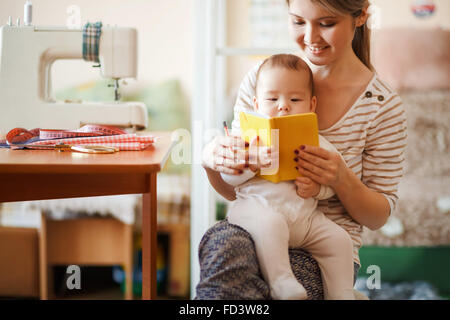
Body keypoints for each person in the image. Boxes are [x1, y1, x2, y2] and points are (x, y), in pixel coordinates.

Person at [198, 0, 407, 300]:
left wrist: (339, 180)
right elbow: (234, 192)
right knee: (222, 247)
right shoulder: (264, 80)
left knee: (251, 290)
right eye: (298, 21)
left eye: (326, 23)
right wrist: (213, 161)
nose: (310, 37)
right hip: (258, 220)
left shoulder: (382, 106)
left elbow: (377, 217)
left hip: (318, 243)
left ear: (360, 16)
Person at [222, 53, 355, 300]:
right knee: (271, 224)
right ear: (257, 104)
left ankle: (342, 292)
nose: (283, 105)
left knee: (339, 240)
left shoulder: (317, 142)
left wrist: (317, 189)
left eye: (295, 99)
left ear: (311, 105)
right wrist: (251, 164)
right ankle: (281, 283)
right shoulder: (247, 138)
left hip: (305, 221)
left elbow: (333, 182)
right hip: (255, 210)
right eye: (272, 98)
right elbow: (228, 179)